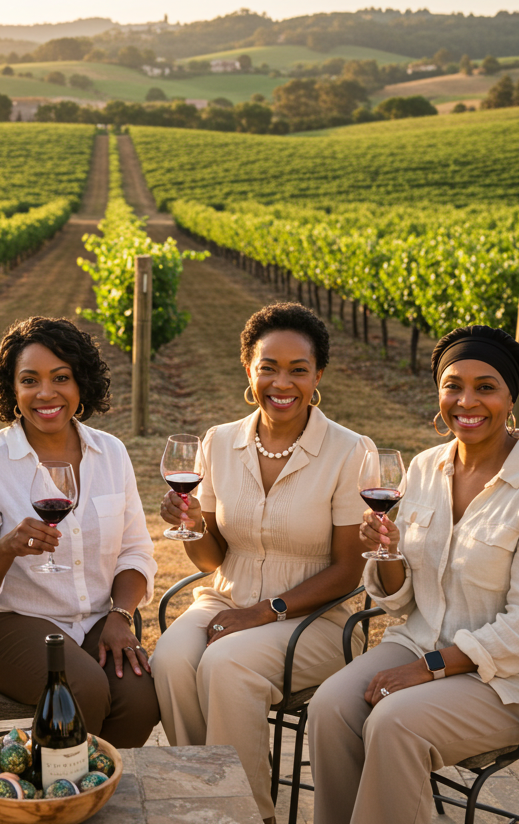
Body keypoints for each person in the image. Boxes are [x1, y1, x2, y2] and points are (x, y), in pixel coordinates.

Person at [308, 325, 519, 824]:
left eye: (485, 387)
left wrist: (425, 670)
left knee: (395, 723)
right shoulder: (423, 468)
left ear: (509, 397)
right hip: (421, 639)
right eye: (453, 385)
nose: (466, 400)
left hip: (514, 680)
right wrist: (387, 555)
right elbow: (401, 599)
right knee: (330, 707)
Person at [149, 302, 372, 823]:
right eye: (268, 366)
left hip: (321, 618)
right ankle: (205, 798)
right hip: (227, 596)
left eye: (298, 369)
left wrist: (265, 612)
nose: (282, 382)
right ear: (248, 368)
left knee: (228, 665)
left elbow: (348, 570)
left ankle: (249, 815)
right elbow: (211, 557)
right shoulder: (218, 442)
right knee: (172, 661)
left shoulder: (350, 451)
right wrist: (192, 524)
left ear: (318, 375)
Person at [0, 316, 160, 748]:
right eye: (30, 380)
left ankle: (98, 790)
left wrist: (120, 616)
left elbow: (135, 553)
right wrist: (7, 548)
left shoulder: (111, 453)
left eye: (61, 378)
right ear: (12, 389)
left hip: (95, 619)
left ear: (82, 384)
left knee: (141, 699)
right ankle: (54, 797)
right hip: (1, 623)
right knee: (82, 689)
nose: (46, 393)